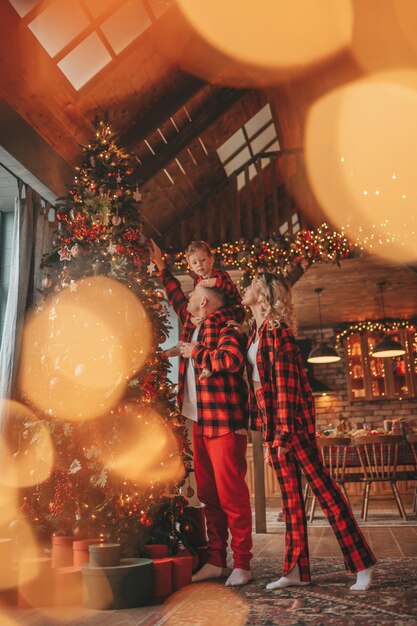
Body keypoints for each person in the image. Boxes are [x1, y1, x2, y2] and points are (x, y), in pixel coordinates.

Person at [240, 271, 377, 592]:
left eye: (250, 285)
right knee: (290, 502)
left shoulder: (279, 334)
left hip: (293, 429)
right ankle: (296, 570)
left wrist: (284, 436)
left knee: (326, 493)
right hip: (275, 430)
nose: (243, 289)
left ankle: (363, 564)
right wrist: (267, 438)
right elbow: (263, 394)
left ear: (262, 294)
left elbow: (287, 391)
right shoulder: (257, 334)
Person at [149, 240, 253, 587]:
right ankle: (216, 560)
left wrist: (196, 353)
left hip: (224, 421)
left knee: (231, 495)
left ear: (205, 301)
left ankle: (242, 563)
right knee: (208, 495)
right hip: (199, 420)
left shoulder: (226, 321)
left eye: (195, 297)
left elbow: (232, 360)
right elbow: (178, 298)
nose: (187, 302)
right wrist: (162, 270)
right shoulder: (195, 323)